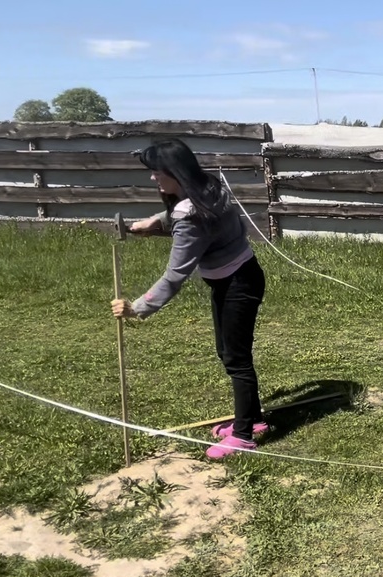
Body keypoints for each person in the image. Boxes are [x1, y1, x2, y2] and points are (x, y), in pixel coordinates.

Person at [111, 138, 268, 460]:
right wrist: (157, 222)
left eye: (157, 173)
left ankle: (244, 437)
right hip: (236, 278)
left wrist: (137, 308)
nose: (153, 178)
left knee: (237, 359)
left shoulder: (192, 214)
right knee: (227, 352)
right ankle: (252, 420)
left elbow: (175, 275)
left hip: (239, 284)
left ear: (175, 172)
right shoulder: (209, 186)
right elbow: (190, 214)